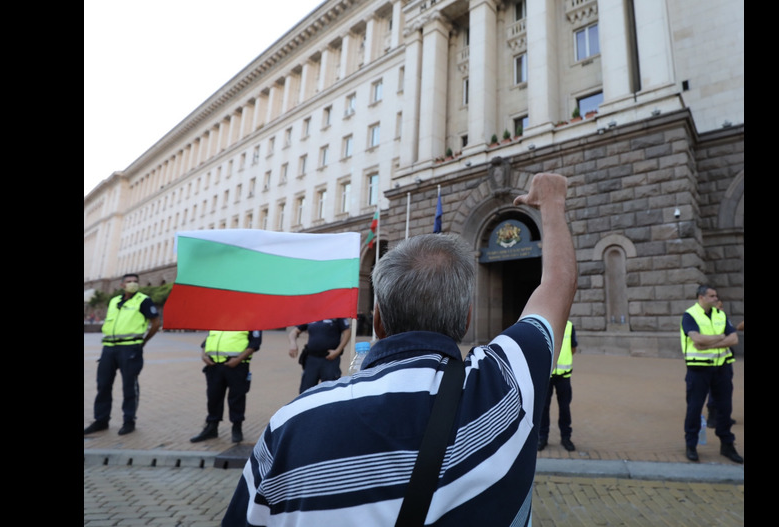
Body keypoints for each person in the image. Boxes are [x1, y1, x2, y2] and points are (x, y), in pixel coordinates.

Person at [222, 172, 577, 526]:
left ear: (377, 320)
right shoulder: (505, 385)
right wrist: (551, 203)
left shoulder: (293, 423)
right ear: (466, 319)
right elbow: (557, 287)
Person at [84, 274, 161, 436]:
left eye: (135, 282)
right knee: (103, 385)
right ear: (122, 285)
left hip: (130, 348)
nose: (132, 284)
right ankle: (101, 420)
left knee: (129, 386)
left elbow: (156, 322)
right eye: (129, 282)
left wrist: (144, 341)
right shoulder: (114, 301)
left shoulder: (143, 300)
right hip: (109, 348)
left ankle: (129, 420)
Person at [680, 285, 743, 463]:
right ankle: (691, 445)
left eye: (716, 295)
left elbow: (734, 339)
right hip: (698, 369)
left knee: (724, 408)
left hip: (721, 368)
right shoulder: (690, 315)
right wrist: (722, 337)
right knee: (694, 407)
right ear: (702, 297)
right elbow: (696, 339)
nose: (716, 298)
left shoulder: (720, 314)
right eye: (712, 296)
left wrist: (710, 343)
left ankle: (727, 445)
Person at [189, 330, 263, 444]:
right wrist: (203, 354)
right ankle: (212, 427)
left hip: (237, 365)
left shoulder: (251, 321)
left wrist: (238, 359)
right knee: (213, 397)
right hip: (214, 366)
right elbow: (208, 339)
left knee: (237, 397)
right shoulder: (219, 318)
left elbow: (254, 344)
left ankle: (237, 427)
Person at [538, 319, 578, 452]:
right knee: (543, 408)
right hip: (546, 375)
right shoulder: (542, 325)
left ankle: (566, 437)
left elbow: (573, 348)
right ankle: (542, 437)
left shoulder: (569, 326)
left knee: (564, 408)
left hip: (564, 375)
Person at [287, 318, 351, 394]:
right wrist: (293, 343)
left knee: (331, 391)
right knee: (305, 392)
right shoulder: (312, 315)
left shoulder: (336, 315)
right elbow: (294, 332)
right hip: (312, 360)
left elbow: (347, 331)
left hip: (330, 359)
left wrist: (338, 350)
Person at [705, 300, 741, 429]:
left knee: (724, 387)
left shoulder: (722, 318)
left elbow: (733, 334)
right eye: (720, 305)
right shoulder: (710, 319)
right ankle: (712, 416)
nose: (722, 307)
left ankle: (723, 416)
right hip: (714, 358)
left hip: (724, 358)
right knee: (715, 387)